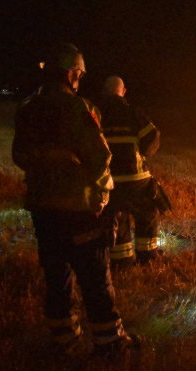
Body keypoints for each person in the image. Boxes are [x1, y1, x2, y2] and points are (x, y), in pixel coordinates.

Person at [12, 43, 138, 354]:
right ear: (71, 74)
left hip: (43, 209)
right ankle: (110, 344)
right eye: (79, 75)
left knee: (57, 276)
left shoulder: (28, 108)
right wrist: (101, 193)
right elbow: (100, 157)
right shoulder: (77, 108)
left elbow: (19, 155)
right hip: (80, 210)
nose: (79, 80)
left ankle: (63, 338)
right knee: (94, 277)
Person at [97, 76, 167, 266]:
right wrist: (143, 154)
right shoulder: (132, 112)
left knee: (117, 215)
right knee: (148, 212)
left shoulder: (96, 113)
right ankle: (148, 256)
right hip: (136, 178)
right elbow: (153, 136)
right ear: (124, 91)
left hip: (108, 180)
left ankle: (122, 260)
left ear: (104, 92)